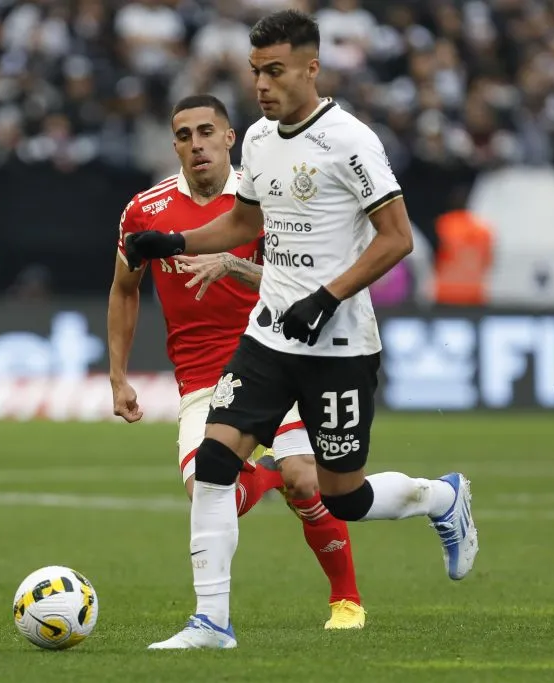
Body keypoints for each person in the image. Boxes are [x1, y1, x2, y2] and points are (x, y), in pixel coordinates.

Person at [126, 10, 479, 650]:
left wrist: (327, 296)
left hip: (338, 341)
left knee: (340, 496)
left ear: (311, 69)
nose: (262, 84)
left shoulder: (350, 140)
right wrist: (173, 239)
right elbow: (240, 225)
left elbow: (396, 238)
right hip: (268, 337)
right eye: (256, 71)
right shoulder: (259, 139)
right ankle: (211, 623)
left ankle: (440, 498)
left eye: (276, 71)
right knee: (213, 465)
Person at [109, 94, 366, 631]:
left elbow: (301, 285)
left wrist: (233, 267)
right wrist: (118, 375)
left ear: (230, 138)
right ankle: (262, 479)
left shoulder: (269, 198)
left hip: (273, 359)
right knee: (208, 491)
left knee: (305, 479)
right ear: (174, 145)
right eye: (184, 135)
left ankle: (346, 600)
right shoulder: (144, 211)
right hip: (202, 379)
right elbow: (124, 290)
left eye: (207, 131)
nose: (196, 143)